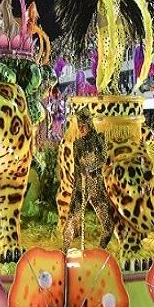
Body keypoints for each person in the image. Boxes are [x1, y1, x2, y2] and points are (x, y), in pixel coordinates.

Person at [63, 109, 114, 254]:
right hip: (81, 186)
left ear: (89, 124)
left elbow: (103, 158)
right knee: (72, 219)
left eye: (83, 125)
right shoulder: (77, 144)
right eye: (79, 125)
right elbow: (76, 167)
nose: (81, 128)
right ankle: (64, 251)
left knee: (109, 225)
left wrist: (91, 166)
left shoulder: (99, 138)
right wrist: (78, 183)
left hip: (96, 186)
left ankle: (99, 252)